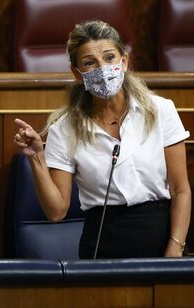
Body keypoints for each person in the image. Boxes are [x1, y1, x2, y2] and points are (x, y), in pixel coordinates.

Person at [14, 20, 191, 259]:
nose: (102, 68)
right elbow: (56, 211)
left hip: (161, 236)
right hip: (103, 241)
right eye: (89, 63)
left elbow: (181, 190)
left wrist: (175, 247)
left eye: (109, 58)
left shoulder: (161, 111)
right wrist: (37, 157)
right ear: (77, 74)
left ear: (124, 61)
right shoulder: (64, 129)